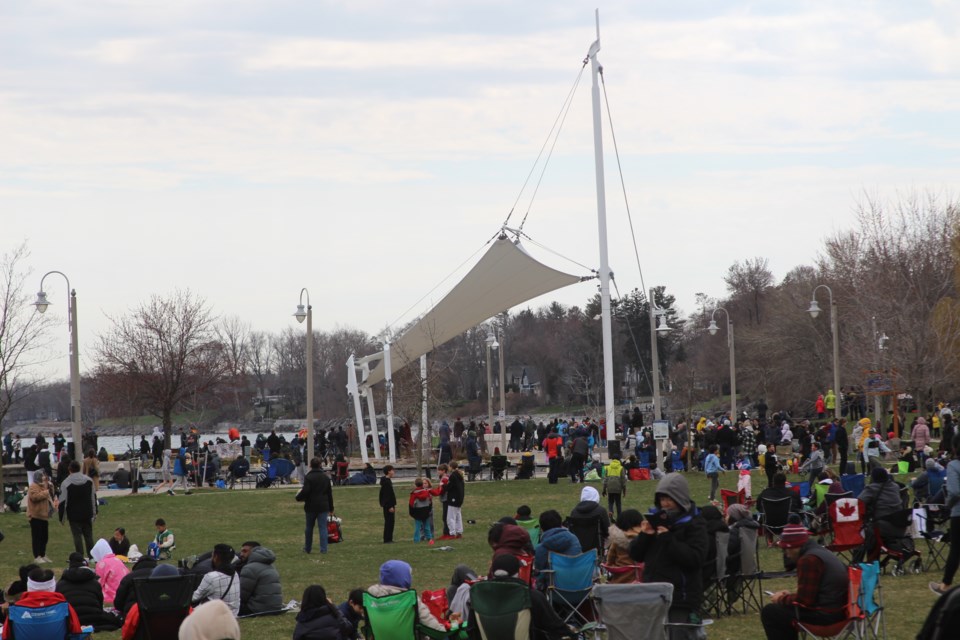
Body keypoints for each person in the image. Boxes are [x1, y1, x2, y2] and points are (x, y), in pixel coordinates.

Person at [629, 473, 708, 636]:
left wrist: (668, 539)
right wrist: (645, 535)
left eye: (669, 499)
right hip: (652, 594)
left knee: (678, 634)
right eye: (662, 499)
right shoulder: (656, 520)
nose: (665, 504)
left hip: (681, 598)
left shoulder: (694, 523)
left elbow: (695, 558)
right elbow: (636, 555)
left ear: (680, 499)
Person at [761, 524, 849, 640]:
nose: (786, 554)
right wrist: (789, 596)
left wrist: (781, 599)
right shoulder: (821, 552)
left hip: (827, 616)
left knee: (771, 612)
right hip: (840, 611)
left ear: (793, 547)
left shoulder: (808, 560)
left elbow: (805, 600)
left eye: (786, 549)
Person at [472, 554, 575, 640]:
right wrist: (573, 634)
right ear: (518, 573)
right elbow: (555, 626)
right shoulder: (531, 596)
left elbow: (471, 630)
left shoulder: (478, 596)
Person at [2, 568, 83, 640]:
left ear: (29, 586)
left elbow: (6, 636)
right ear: (53, 586)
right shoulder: (64, 607)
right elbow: (76, 633)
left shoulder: (15, 610)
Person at [367, 560, 446, 633]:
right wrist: (444, 631)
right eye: (409, 574)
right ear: (403, 576)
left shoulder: (371, 597)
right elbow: (429, 623)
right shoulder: (409, 598)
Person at [55, 552, 123, 631]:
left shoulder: (60, 584)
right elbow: (99, 605)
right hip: (94, 617)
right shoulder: (94, 583)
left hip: (71, 620)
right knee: (115, 619)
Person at [931, 434, 960, 595]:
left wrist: (947, 505)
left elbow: (954, 491)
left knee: (955, 550)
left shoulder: (954, 465)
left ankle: (945, 585)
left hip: (958, 512)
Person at [857, 467, 904, 561]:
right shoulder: (895, 486)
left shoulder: (872, 488)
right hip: (900, 526)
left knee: (863, 535)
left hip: (882, 526)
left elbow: (859, 502)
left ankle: (863, 563)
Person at [58, 459, 97, 557]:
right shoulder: (88, 480)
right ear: (79, 468)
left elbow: (62, 502)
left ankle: (80, 555)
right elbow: (93, 497)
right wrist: (94, 512)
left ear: (69, 469)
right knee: (89, 536)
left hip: (74, 514)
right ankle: (91, 556)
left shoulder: (66, 483)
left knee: (77, 536)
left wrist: (62, 517)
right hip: (87, 512)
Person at [533, 509, 581, 589]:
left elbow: (539, 573)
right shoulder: (574, 540)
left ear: (542, 528)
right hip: (581, 587)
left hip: (554, 591)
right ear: (560, 524)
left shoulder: (541, 548)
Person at [297, 457, 335, 554]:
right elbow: (329, 494)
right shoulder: (325, 477)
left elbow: (305, 491)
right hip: (323, 506)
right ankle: (323, 549)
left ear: (310, 465)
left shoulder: (309, 477)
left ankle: (307, 548)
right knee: (323, 528)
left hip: (311, 505)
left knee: (309, 527)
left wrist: (298, 497)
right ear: (320, 465)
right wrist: (331, 508)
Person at [192, 543, 240, 616]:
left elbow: (194, 598)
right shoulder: (235, 574)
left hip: (213, 617)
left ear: (216, 557)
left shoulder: (211, 576)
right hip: (232, 616)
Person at [239, 542, 282, 616]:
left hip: (257, 609)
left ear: (253, 551)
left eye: (245, 551)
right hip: (275, 607)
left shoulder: (249, 568)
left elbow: (242, 595)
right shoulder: (271, 565)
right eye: (241, 551)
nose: (241, 554)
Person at [604, 509, 644, 583]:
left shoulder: (617, 540)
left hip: (620, 580)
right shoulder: (645, 539)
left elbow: (609, 562)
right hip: (642, 580)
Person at [567, 485, 610, 553]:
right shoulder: (601, 511)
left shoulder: (574, 512)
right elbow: (607, 532)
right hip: (596, 549)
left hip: (578, 548)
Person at [113, 554, 158, 618]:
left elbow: (118, 603)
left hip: (133, 615)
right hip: (157, 614)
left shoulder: (128, 577)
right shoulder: (161, 576)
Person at [26, 470, 55, 564]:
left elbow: (51, 496)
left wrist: (50, 488)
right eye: (42, 476)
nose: (44, 477)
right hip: (35, 516)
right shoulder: (33, 486)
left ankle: (43, 554)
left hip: (44, 516)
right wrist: (46, 492)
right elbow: (34, 497)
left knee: (44, 537)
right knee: (36, 537)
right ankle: (37, 556)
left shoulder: (43, 486)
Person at [90, 538, 130, 603]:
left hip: (114, 593)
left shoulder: (102, 563)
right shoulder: (117, 560)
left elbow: (99, 584)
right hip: (125, 591)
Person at [408, 478, 436, 544]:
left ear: (415, 484)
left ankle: (416, 540)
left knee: (418, 527)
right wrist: (429, 510)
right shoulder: (427, 492)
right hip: (426, 511)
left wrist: (412, 512)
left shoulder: (414, 493)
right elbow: (430, 502)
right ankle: (429, 538)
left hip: (417, 512)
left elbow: (411, 504)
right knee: (427, 526)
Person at [444, 461, 465, 539]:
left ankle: (452, 533)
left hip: (453, 498)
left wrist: (443, 486)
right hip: (459, 498)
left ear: (451, 467)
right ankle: (459, 532)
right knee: (458, 516)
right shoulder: (460, 475)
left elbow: (450, 486)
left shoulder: (453, 475)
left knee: (450, 517)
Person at [379, 465, 396, 544]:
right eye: (392, 470)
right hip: (388, 505)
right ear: (389, 471)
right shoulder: (386, 482)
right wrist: (390, 506)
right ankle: (387, 539)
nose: (394, 472)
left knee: (390, 522)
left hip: (389, 505)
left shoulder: (387, 481)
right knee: (389, 522)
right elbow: (387, 496)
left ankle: (389, 538)